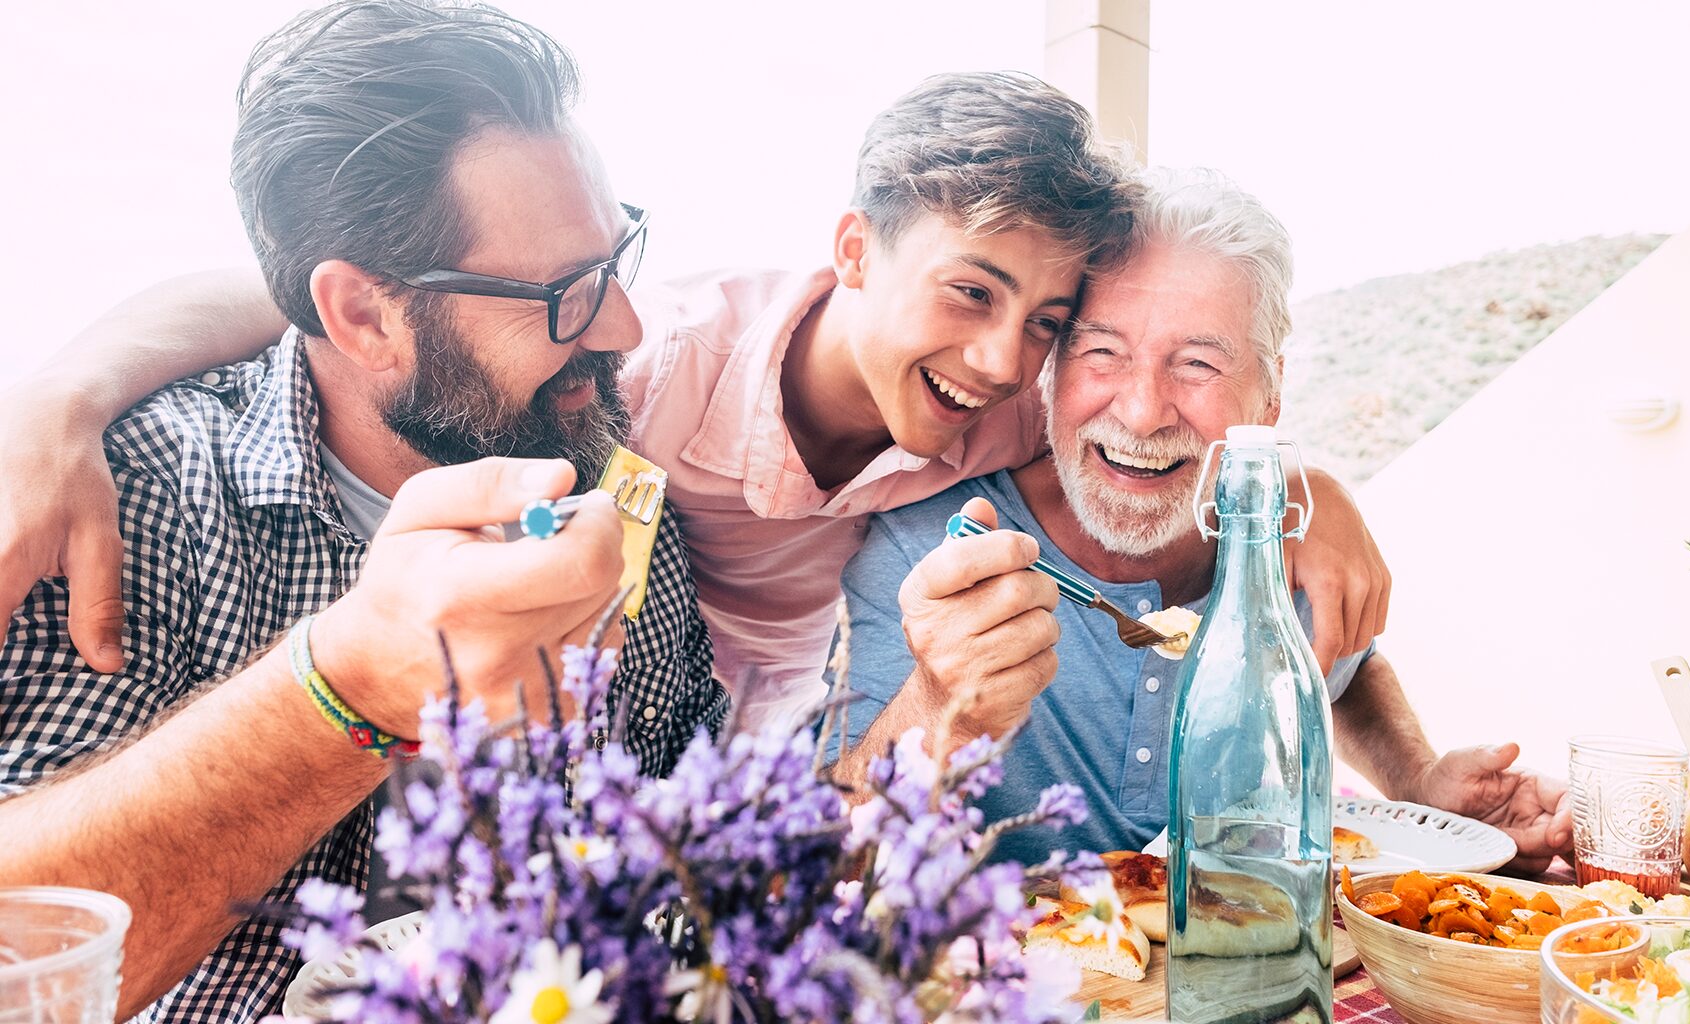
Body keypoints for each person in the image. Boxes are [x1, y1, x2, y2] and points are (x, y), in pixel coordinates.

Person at [0, 78, 1393, 733]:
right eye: (967, 295)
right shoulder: (639, 364)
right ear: (853, 253)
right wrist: (63, 390)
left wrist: (1307, 489)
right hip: (637, 696)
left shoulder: (1014, 398)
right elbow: (355, 308)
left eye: (1040, 322)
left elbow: (1153, 424)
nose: (998, 356)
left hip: (810, 722)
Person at [0, 4, 726, 1019]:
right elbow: (24, 946)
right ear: (362, 315)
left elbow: (692, 871)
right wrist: (339, 689)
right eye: (565, 290)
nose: (624, 326)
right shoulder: (132, 496)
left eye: (617, 259)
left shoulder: (603, 477)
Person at [831, 168, 1573, 872]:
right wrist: (939, 706)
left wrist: (1416, 783)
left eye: (1197, 365)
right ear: (1050, 371)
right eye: (1102, 351)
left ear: (1270, 398)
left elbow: (1342, 668)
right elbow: (820, 859)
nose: (1143, 411)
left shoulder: (1285, 547)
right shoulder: (924, 551)